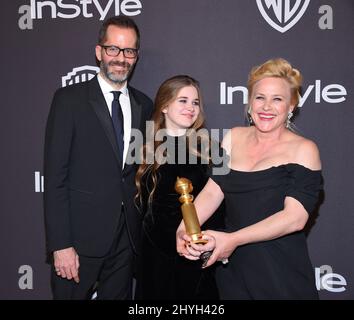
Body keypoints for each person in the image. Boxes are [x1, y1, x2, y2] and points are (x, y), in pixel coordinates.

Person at [177, 58, 323, 299]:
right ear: (249, 101)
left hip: (280, 272)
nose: (266, 107)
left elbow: (294, 218)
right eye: (259, 97)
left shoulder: (304, 150)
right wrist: (183, 229)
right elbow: (214, 191)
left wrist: (233, 239)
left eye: (277, 99)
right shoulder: (233, 137)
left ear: (291, 105)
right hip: (233, 272)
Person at [44, 16, 153, 299]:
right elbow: (55, 177)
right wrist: (61, 245)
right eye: (113, 49)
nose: (120, 58)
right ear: (99, 52)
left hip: (127, 241)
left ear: (136, 56)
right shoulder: (69, 100)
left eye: (128, 51)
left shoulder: (144, 104)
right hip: (78, 244)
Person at [134, 75, 224, 300]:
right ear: (164, 105)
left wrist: (208, 244)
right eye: (182, 100)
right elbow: (140, 205)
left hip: (195, 251)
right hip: (154, 253)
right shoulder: (143, 147)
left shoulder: (211, 148)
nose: (191, 108)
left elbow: (221, 203)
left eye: (195, 102)